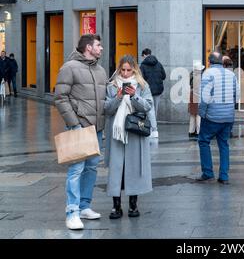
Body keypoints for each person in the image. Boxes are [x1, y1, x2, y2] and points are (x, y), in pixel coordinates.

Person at [54, 34, 108, 230]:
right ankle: (72, 212)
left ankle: (85, 206)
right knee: (76, 169)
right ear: (88, 47)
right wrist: (74, 123)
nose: (101, 48)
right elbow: (60, 97)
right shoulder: (69, 67)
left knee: (92, 167)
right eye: (98, 45)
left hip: (97, 128)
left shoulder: (100, 70)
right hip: (80, 125)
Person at [104, 55, 153, 219]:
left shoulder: (142, 85)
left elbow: (147, 106)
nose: (125, 74)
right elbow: (107, 109)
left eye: (128, 70)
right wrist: (118, 97)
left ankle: (133, 205)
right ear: (119, 69)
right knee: (116, 169)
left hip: (134, 132)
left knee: (134, 167)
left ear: (134, 69)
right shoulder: (111, 86)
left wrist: (134, 96)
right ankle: (116, 206)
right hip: (116, 133)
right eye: (122, 70)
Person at [196, 52, 239, 185]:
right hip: (228, 117)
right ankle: (224, 176)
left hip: (212, 117)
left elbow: (204, 98)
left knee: (204, 141)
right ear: (222, 61)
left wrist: (202, 113)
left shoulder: (208, 74)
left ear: (209, 61)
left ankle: (208, 173)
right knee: (224, 145)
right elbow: (236, 96)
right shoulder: (231, 74)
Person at [140, 48, 166, 139]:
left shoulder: (142, 66)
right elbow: (164, 76)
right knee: (155, 110)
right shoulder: (158, 64)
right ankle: (154, 129)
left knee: (149, 110)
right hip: (158, 90)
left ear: (144, 55)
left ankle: (151, 129)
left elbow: (141, 79)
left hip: (148, 91)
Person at [188, 61, 204, 139]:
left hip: (192, 95)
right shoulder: (199, 77)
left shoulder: (191, 75)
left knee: (192, 115)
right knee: (198, 115)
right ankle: (198, 132)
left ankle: (191, 131)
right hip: (197, 96)